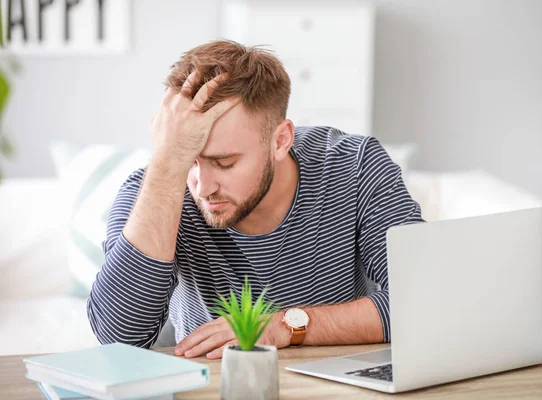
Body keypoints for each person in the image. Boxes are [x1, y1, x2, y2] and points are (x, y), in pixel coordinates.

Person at [87, 40, 424, 360]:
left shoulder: (354, 167)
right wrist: (166, 165)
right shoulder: (156, 188)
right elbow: (118, 339)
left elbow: (425, 301)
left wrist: (282, 326)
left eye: (225, 162)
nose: (202, 187)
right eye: (189, 160)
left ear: (280, 141)